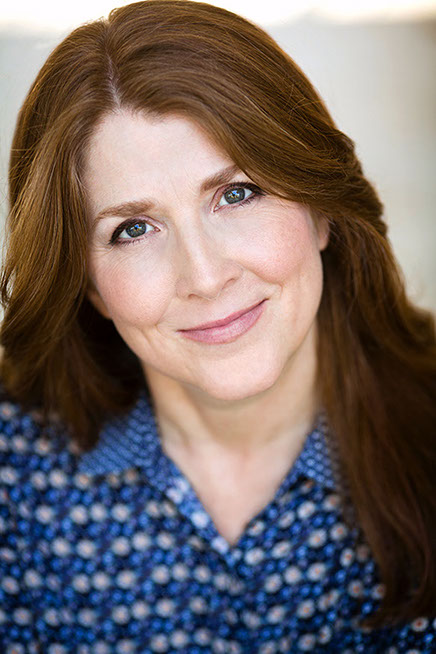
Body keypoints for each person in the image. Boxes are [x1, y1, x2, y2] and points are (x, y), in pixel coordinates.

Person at [0, 0, 435, 650]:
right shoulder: (14, 479)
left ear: (320, 209)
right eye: (133, 229)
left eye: (237, 193)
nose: (203, 277)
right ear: (87, 285)